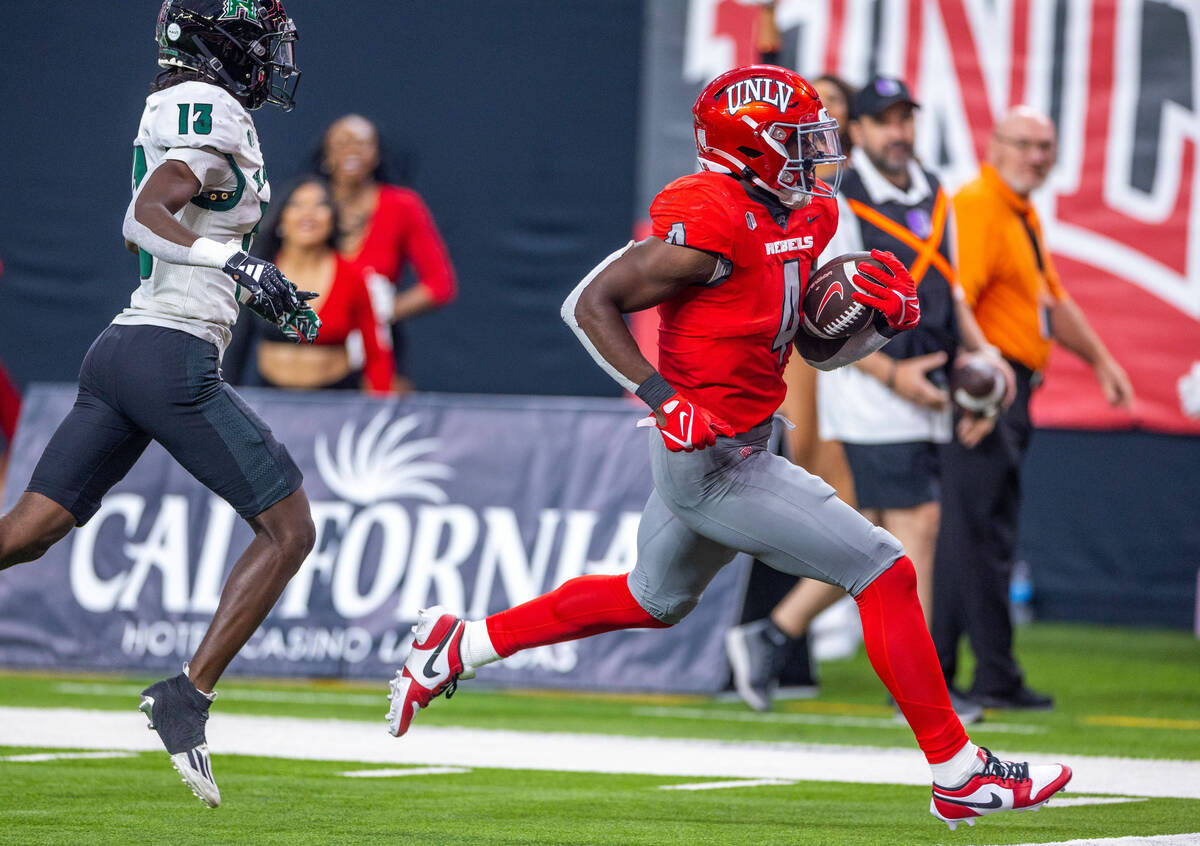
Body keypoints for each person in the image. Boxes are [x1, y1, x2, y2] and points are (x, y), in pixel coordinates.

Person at [386, 65, 1071, 830]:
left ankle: (460, 642)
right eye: (799, 140)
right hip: (711, 458)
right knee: (885, 569)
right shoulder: (709, 219)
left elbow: (804, 343)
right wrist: (661, 396)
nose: (817, 153)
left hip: (743, 435)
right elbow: (588, 304)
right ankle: (958, 770)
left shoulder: (805, 213)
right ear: (752, 148)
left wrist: (867, 323)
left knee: (651, 600)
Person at [0, 0, 315, 808]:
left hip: (122, 349)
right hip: (167, 356)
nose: (268, 55)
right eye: (256, 39)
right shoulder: (216, 114)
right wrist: (237, 266)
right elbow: (145, 218)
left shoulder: (177, 107)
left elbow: (189, 228)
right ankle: (187, 694)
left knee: (28, 533)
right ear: (216, 41)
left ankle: (187, 694)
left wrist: (257, 286)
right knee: (289, 530)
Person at [726, 78, 1014, 723]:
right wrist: (890, 376)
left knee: (880, 539)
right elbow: (821, 316)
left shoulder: (933, 191)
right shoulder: (839, 200)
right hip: (874, 390)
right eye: (882, 121)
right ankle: (921, 689)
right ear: (854, 132)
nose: (898, 132)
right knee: (919, 532)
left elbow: (956, 292)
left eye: (905, 118)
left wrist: (987, 355)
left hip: (933, 388)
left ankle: (774, 632)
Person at [933, 105, 1134, 711]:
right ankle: (960, 676)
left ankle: (983, 671)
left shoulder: (1017, 212)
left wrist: (1101, 359)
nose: (1036, 156)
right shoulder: (978, 206)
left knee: (979, 536)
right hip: (987, 391)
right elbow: (949, 304)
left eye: (1045, 146)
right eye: (1024, 143)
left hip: (1007, 390)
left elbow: (1052, 298)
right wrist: (978, 394)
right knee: (972, 537)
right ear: (994, 144)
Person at [725, 71, 863, 709]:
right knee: (827, 511)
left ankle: (778, 641)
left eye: (833, 112)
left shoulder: (835, 200)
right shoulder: (760, 200)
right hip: (790, 376)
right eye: (814, 114)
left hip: (844, 377)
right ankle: (768, 639)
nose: (822, 128)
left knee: (854, 524)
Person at [320, 115, 456, 390]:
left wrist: (377, 313)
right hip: (314, 345)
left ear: (377, 154)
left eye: (362, 144)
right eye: (343, 143)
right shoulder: (308, 205)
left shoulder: (402, 206)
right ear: (326, 154)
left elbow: (439, 284)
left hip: (381, 345)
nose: (352, 151)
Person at [246, 176, 393, 393]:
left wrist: (382, 410)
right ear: (281, 219)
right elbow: (235, 347)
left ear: (332, 218)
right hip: (270, 403)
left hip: (337, 402)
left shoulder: (354, 276)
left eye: (320, 205)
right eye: (297, 204)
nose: (309, 213)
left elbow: (376, 354)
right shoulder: (259, 273)